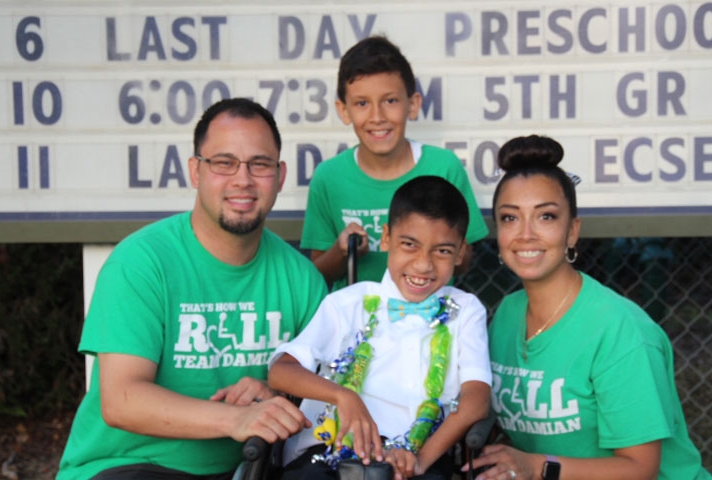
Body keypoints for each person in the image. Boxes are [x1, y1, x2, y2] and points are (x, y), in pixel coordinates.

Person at [57, 98, 328, 480]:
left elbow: (325, 396)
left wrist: (276, 395)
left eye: (260, 164)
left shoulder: (301, 279)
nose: (243, 179)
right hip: (131, 465)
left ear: (280, 176)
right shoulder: (141, 262)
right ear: (195, 171)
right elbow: (122, 401)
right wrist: (236, 418)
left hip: (249, 468)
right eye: (224, 162)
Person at [464, 135, 712, 480]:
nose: (525, 234)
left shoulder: (620, 331)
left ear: (572, 231)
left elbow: (640, 468)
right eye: (509, 218)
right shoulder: (506, 314)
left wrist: (536, 466)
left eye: (546, 216)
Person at [269, 176, 492, 480]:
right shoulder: (348, 303)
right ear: (386, 238)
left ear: (461, 253)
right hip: (330, 451)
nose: (423, 265)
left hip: (418, 458)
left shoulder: (466, 311)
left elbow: (476, 400)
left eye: (441, 251)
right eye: (409, 245)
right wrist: (344, 397)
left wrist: (420, 460)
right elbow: (281, 371)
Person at [300, 35, 489, 289]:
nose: (377, 117)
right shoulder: (328, 177)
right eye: (362, 103)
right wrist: (342, 251)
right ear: (343, 110)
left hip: (430, 323)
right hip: (359, 324)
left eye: (390, 101)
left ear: (413, 104)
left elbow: (464, 261)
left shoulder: (444, 167)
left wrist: (436, 245)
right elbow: (316, 276)